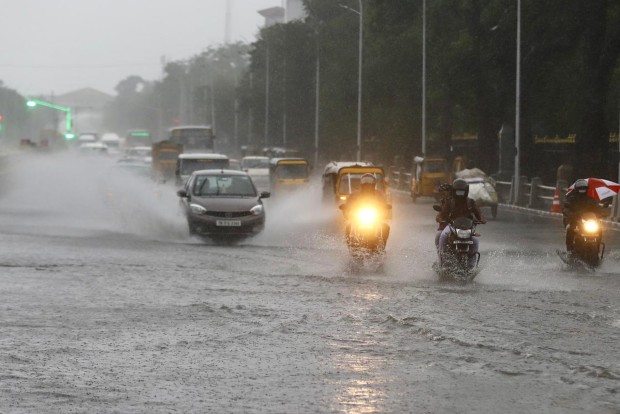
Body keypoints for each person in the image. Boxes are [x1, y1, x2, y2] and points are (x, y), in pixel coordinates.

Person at [436, 178, 486, 265]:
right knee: (443, 235)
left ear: (466, 191)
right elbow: (442, 213)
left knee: (475, 240)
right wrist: (440, 218)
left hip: (467, 228)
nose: (460, 194)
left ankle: (472, 264)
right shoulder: (449, 202)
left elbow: (478, 213)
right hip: (452, 226)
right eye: (458, 192)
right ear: (454, 191)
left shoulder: (470, 202)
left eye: (462, 192)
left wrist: (482, 219)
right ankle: (443, 261)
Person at [342, 173, 391, 244]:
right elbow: (349, 202)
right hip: (358, 217)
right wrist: (345, 206)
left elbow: (384, 203)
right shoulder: (355, 194)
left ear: (373, 184)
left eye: (369, 183)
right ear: (362, 184)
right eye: (365, 183)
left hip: (375, 217)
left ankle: (382, 246)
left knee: (386, 227)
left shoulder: (379, 194)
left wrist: (386, 206)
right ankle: (350, 245)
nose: (367, 185)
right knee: (348, 227)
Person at [562, 179, 603, 254]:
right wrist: (570, 214)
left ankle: (597, 248)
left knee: (600, 229)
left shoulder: (591, 199)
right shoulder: (571, 199)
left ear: (587, 189)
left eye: (584, 188)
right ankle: (569, 250)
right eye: (580, 188)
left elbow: (597, 208)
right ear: (576, 189)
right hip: (575, 220)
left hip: (588, 221)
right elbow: (566, 208)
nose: (582, 190)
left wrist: (602, 213)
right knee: (570, 229)